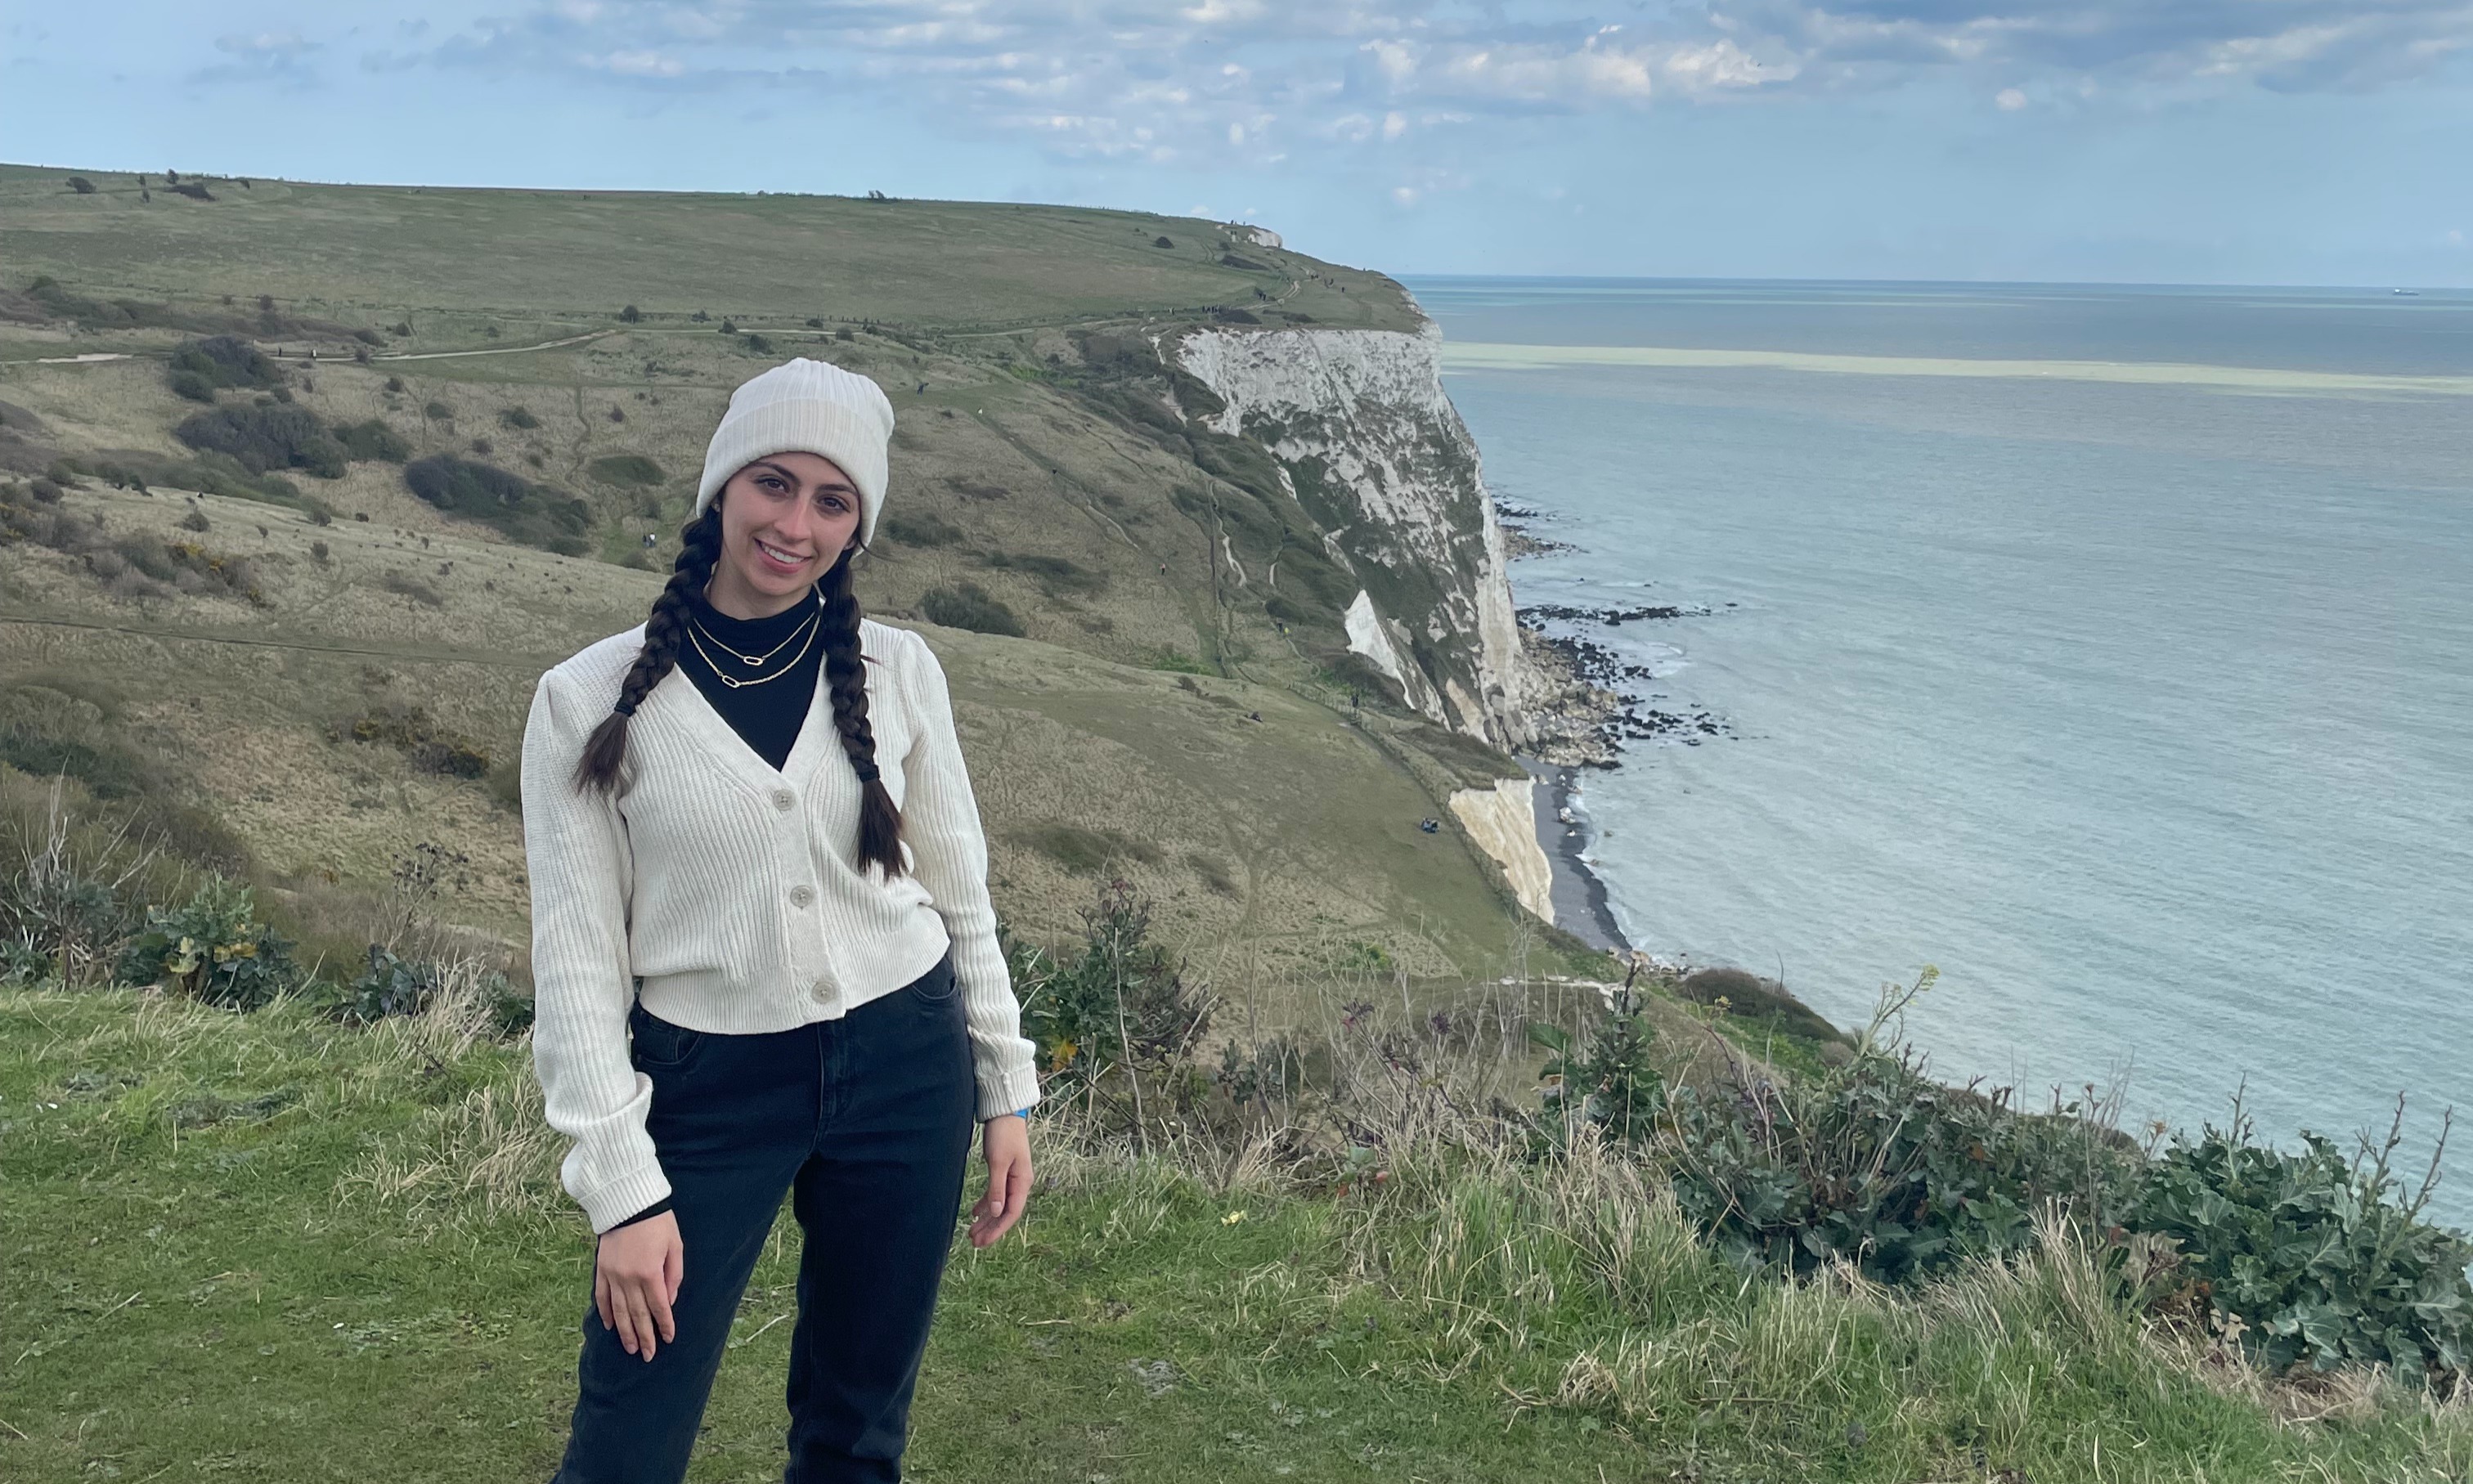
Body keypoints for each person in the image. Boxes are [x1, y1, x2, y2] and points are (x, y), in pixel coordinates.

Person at [519, 358, 1040, 1483]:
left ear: (857, 527)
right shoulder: (583, 700)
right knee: (626, 1445)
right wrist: (622, 1189)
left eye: (831, 500)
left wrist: (1004, 1087)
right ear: (720, 491)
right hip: (705, 1088)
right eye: (772, 483)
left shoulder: (900, 671)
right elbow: (573, 969)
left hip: (907, 1066)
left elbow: (959, 894)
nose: (794, 524)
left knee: (856, 1434)